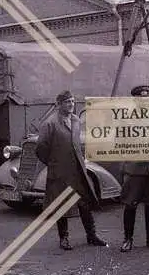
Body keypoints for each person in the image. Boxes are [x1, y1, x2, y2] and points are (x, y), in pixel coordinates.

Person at [35, 90, 107, 251]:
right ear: (58, 104)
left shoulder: (75, 120)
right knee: (61, 205)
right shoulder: (50, 123)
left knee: (85, 203)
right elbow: (40, 148)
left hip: (78, 171)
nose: (71, 105)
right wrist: (54, 163)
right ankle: (64, 239)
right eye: (67, 102)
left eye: (73, 101)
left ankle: (91, 235)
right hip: (60, 173)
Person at [120, 85, 149, 252]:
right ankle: (128, 239)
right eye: (141, 99)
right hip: (135, 167)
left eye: (147, 99)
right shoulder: (126, 118)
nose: (144, 101)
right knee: (130, 203)